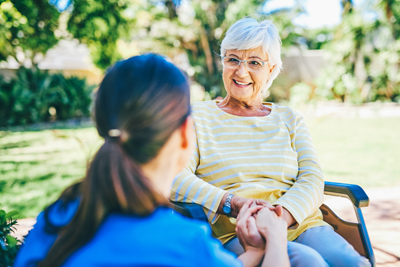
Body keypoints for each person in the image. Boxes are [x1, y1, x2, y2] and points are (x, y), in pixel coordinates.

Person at [14, 54, 289, 267]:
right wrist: (274, 239)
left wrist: (252, 254)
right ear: (184, 135)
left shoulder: (53, 220)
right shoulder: (185, 244)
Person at [170, 17, 371, 267]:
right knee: (308, 262)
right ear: (223, 62)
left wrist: (280, 217)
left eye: (254, 62)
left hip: (298, 221)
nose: (241, 72)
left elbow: (312, 179)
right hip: (238, 231)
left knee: (351, 263)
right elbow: (176, 176)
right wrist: (234, 204)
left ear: (272, 69)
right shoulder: (197, 117)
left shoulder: (290, 119)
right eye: (233, 59)